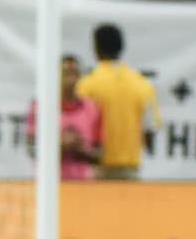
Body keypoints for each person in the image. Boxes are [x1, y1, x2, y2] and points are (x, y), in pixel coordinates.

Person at [75, 23, 160, 181]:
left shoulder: (85, 85)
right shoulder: (142, 83)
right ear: (122, 48)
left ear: (95, 48)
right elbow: (149, 129)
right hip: (129, 168)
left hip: (95, 168)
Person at [27, 55, 102, 181]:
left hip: (82, 183)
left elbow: (99, 154)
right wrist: (58, 146)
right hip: (49, 182)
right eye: (65, 73)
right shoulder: (40, 107)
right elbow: (32, 149)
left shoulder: (91, 108)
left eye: (74, 73)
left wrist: (80, 149)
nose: (70, 78)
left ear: (79, 76)